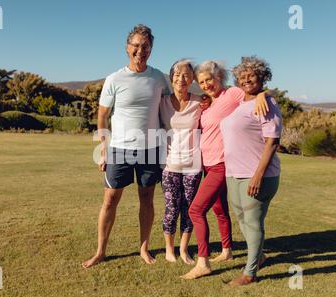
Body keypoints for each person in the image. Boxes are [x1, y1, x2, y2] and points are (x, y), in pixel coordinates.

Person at [82, 25, 170, 268]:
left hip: (150, 149)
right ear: (127, 47)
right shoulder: (114, 79)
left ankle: (144, 247)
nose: (141, 50)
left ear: (151, 50)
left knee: (147, 199)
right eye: (136, 45)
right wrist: (102, 149)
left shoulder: (159, 78)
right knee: (110, 200)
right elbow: (102, 117)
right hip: (119, 149)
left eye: (146, 46)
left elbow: (173, 105)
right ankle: (100, 251)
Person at [181, 60, 269, 279]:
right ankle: (229, 251)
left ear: (218, 77)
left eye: (209, 79)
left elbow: (255, 91)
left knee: (196, 210)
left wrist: (263, 95)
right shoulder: (208, 102)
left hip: (222, 164)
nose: (206, 85)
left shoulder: (232, 94)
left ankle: (203, 262)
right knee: (220, 210)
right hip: (207, 165)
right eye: (201, 82)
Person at [222, 56, 282, 286]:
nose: (247, 79)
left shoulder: (266, 104)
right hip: (233, 173)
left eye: (252, 75)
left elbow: (272, 142)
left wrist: (257, 175)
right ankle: (259, 255)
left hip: (258, 174)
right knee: (241, 219)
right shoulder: (242, 103)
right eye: (242, 76)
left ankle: (250, 273)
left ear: (261, 77)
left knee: (254, 221)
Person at [159, 59, 202, 265]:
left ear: (192, 79)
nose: (181, 79)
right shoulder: (162, 102)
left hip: (193, 167)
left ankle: (184, 250)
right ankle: (169, 249)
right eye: (176, 74)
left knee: (189, 210)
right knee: (171, 209)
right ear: (171, 78)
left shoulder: (200, 102)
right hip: (170, 166)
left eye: (185, 75)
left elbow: (223, 97)